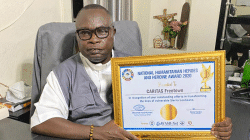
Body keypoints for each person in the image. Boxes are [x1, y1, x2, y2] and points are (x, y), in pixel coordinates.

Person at [31, 4, 232, 140]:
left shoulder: (138, 67)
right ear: (77, 36)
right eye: (85, 33)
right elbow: (42, 121)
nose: (93, 40)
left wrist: (213, 123)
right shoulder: (62, 73)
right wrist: (97, 133)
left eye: (101, 31)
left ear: (113, 33)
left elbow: (174, 102)